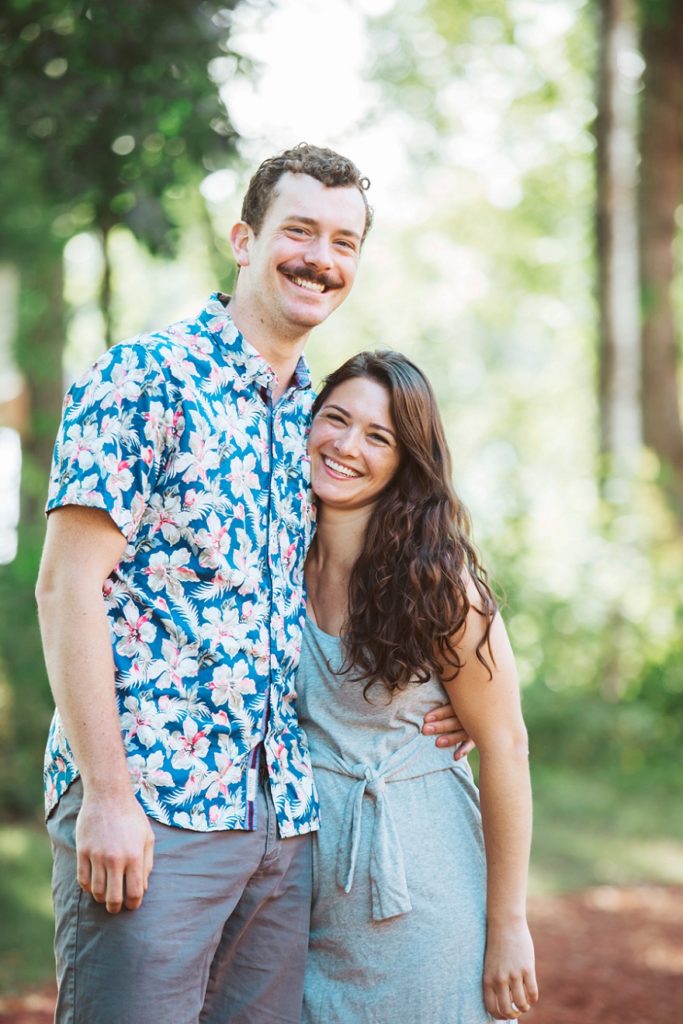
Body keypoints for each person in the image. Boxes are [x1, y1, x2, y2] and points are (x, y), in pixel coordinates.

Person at [35, 144, 466, 1024]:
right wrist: (108, 798)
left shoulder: (305, 419)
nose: (320, 258)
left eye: (343, 242)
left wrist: (448, 691)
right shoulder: (141, 378)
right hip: (155, 806)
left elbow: (374, 564)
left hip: (282, 823)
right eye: (298, 231)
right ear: (243, 238)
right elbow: (65, 588)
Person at [298, 351, 539, 1023]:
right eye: (335, 420)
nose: (346, 446)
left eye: (378, 436)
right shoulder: (271, 552)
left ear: (407, 460)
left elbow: (506, 744)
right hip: (299, 897)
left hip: (422, 892)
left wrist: (508, 924)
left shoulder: (438, 581)